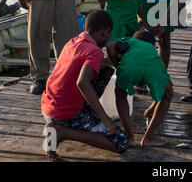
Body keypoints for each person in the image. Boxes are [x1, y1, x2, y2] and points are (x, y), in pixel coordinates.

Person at [41, 10, 129, 161]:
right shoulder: (95, 52)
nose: (108, 38)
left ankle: (76, 120)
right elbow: (82, 82)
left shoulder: (74, 41)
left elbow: (81, 62)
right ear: (105, 31)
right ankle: (62, 132)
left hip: (49, 106)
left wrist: (109, 60)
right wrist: (105, 118)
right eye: (108, 35)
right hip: (64, 114)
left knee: (104, 70)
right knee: (121, 141)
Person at [106, 30, 174, 147]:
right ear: (153, 45)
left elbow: (110, 45)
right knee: (168, 94)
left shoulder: (130, 41)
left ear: (134, 38)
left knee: (120, 93)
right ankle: (148, 138)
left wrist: (117, 64)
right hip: (154, 68)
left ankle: (130, 137)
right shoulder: (152, 49)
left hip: (130, 68)